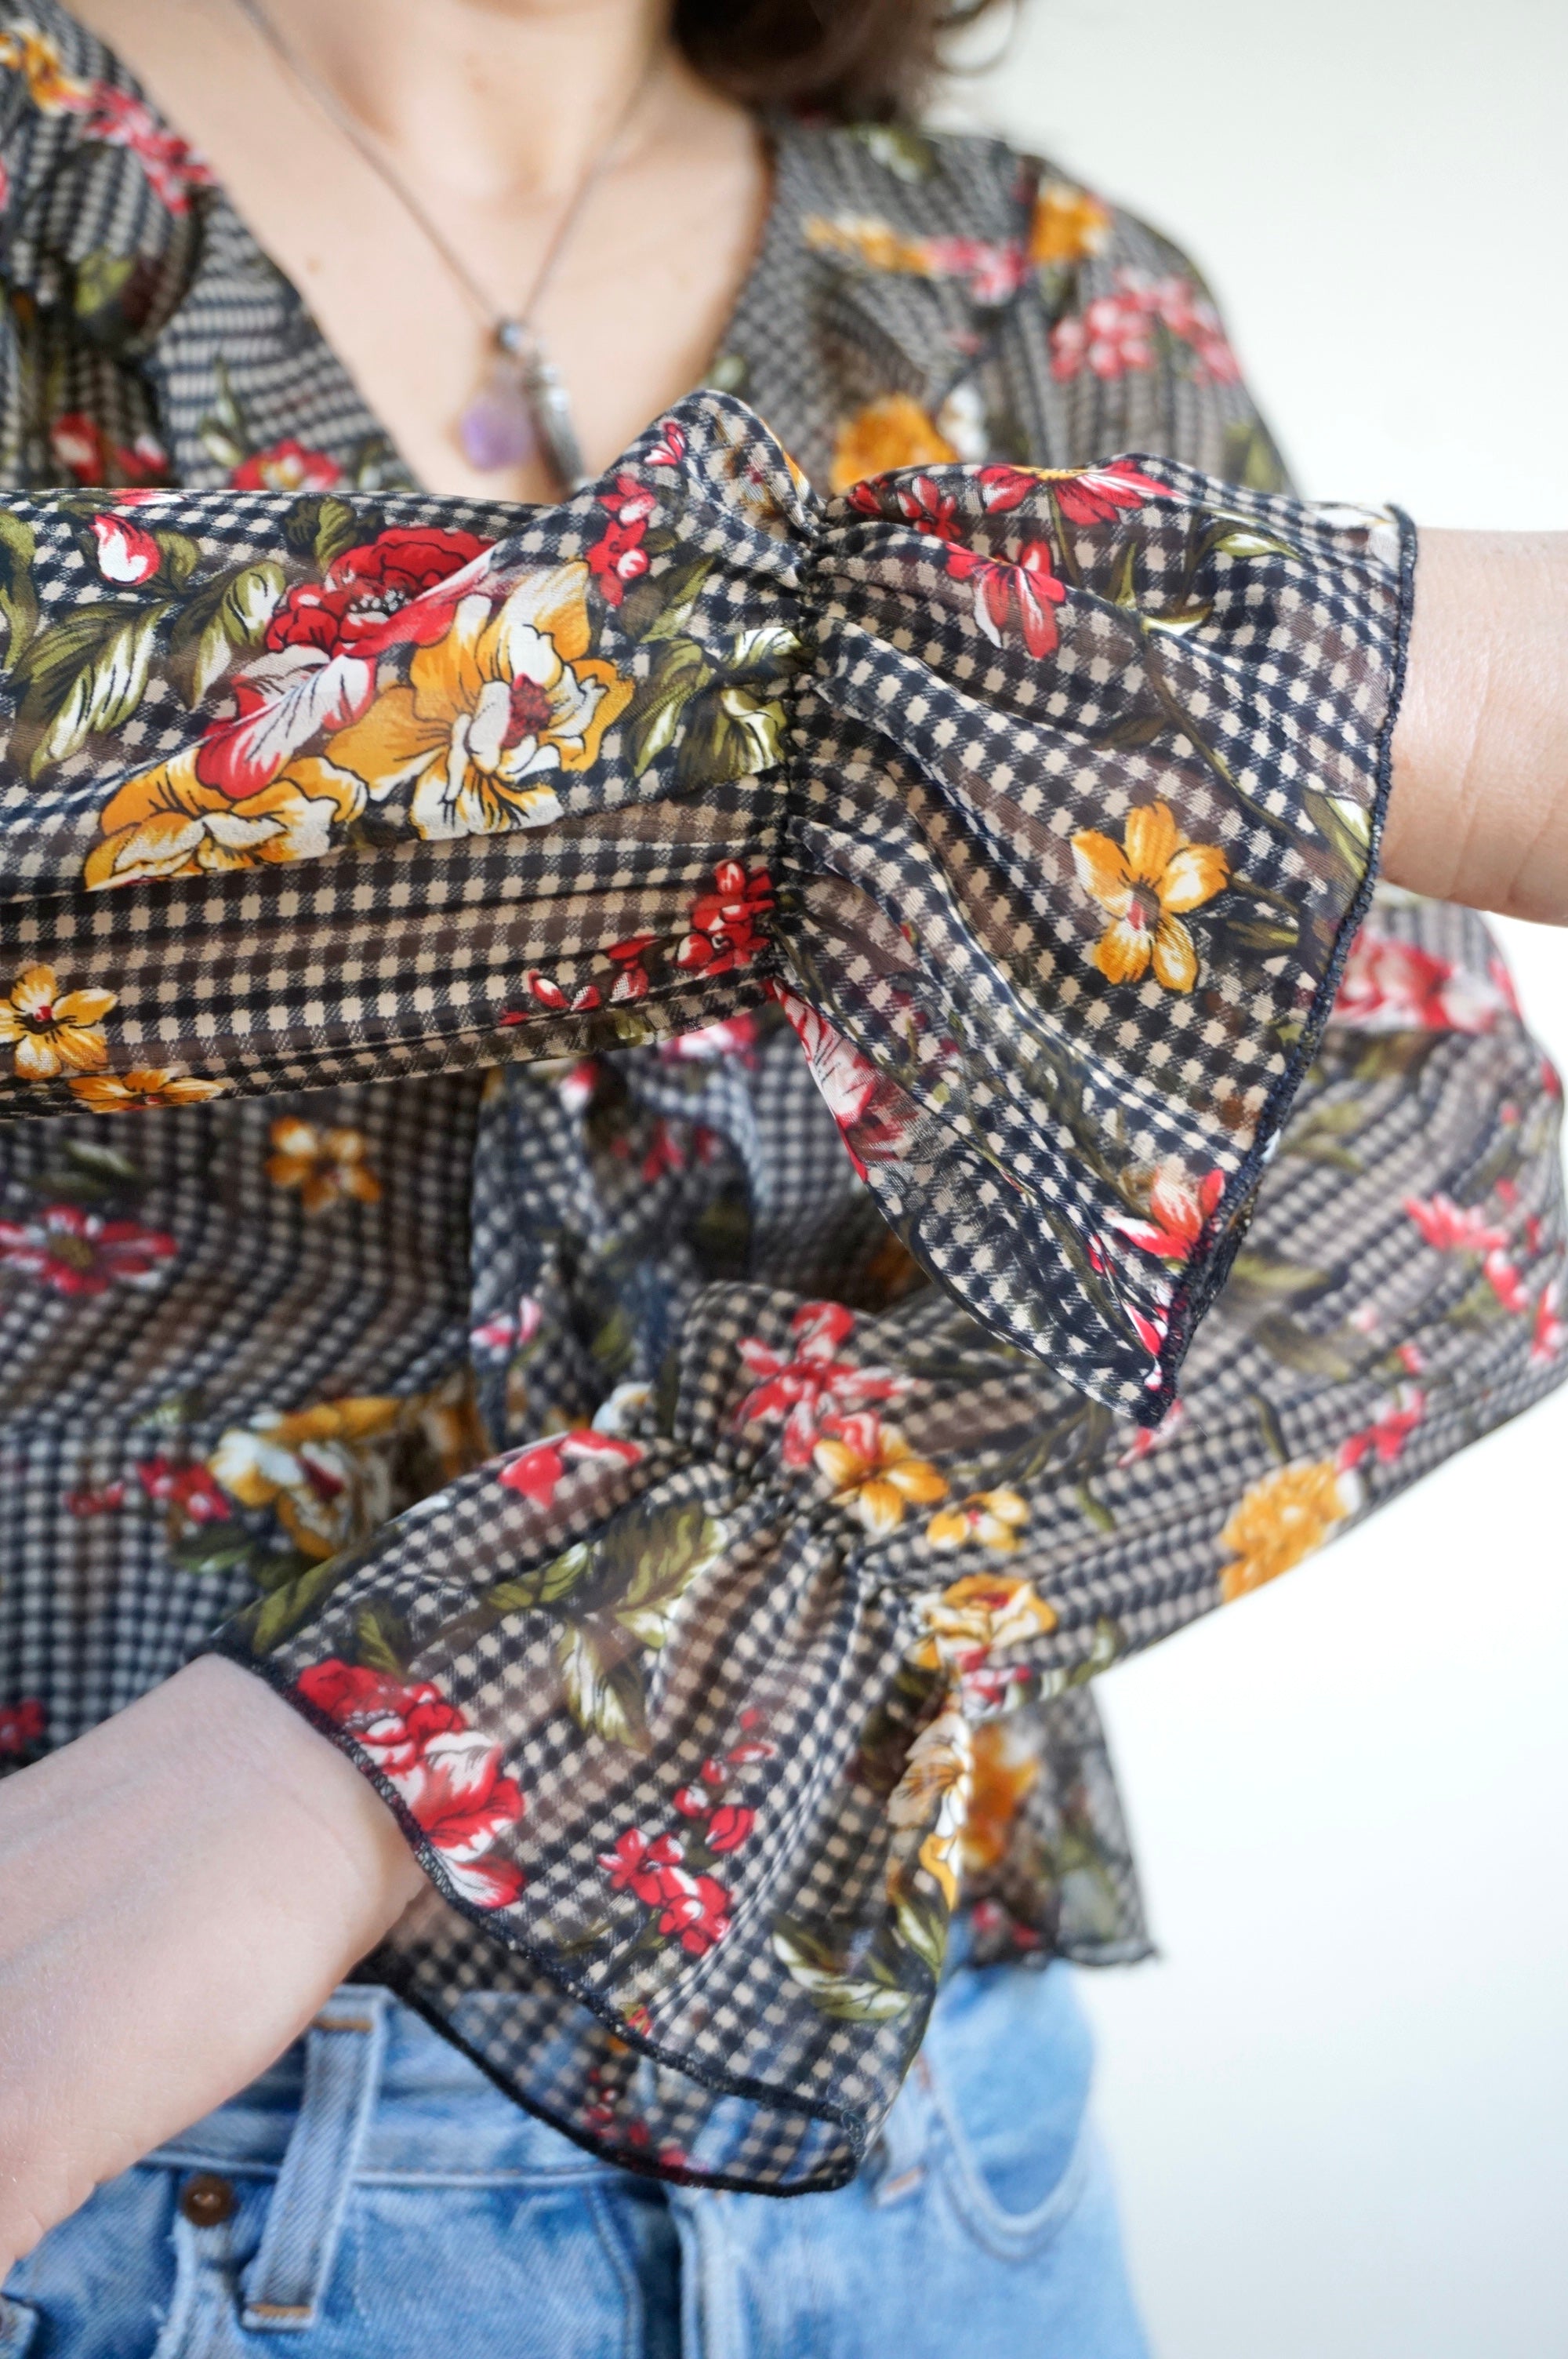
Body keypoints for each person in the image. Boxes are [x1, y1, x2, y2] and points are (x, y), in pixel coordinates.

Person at [0, 0, 1563, 2350]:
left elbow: (1417, 1188)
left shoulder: (1024, 282)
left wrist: (384, 1754)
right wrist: (1198, 671)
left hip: (925, 2162)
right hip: (111, 2185)